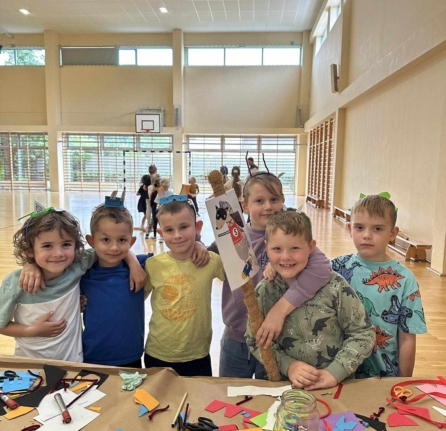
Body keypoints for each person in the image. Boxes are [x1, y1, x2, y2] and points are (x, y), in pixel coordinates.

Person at [208, 171, 333, 378]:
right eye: (259, 201)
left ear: (283, 202)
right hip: (236, 339)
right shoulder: (232, 235)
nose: (268, 206)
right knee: (230, 393)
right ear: (245, 206)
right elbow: (206, 257)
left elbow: (322, 268)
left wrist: (280, 310)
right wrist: (197, 248)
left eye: (274, 199)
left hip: (276, 339)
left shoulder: (292, 238)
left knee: (272, 395)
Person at [245, 211, 375, 389]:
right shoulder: (264, 291)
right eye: (277, 249)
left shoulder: (334, 286)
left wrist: (335, 372)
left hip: (338, 388)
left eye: (295, 248)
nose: (285, 257)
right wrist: (288, 365)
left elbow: (363, 333)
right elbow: (254, 339)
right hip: (286, 389)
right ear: (266, 247)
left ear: (311, 247)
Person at [331, 194, 427, 378]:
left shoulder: (405, 280)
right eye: (359, 227)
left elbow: (407, 337)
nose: (367, 235)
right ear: (350, 228)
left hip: (383, 375)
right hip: (338, 373)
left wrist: (402, 380)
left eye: (377, 228)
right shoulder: (336, 267)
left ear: (392, 233)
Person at [0, 209, 95, 362]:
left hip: (73, 364)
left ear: (75, 246)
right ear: (30, 251)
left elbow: (108, 250)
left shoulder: (76, 266)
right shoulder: (16, 283)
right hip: (30, 366)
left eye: (66, 244)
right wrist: (32, 330)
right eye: (47, 246)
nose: (58, 253)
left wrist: (132, 260)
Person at [144, 199, 225, 376]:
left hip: (197, 355)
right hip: (158, 353)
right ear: (160, 233)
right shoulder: (153, 265)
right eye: (169, 230)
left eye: (184, 227)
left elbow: (240, 275)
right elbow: (136, 298)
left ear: (197, 227)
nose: (177, 235)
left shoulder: (210, 261)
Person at [81, 204, 152, 368]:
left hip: (131, 357)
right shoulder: (82, 273)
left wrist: (198, 246)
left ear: (131, 242)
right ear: (91, 241)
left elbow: (175, 257)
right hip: (92, 356)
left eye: (122, 240)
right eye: (106, 240)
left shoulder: (143, 265)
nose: (114, 247)